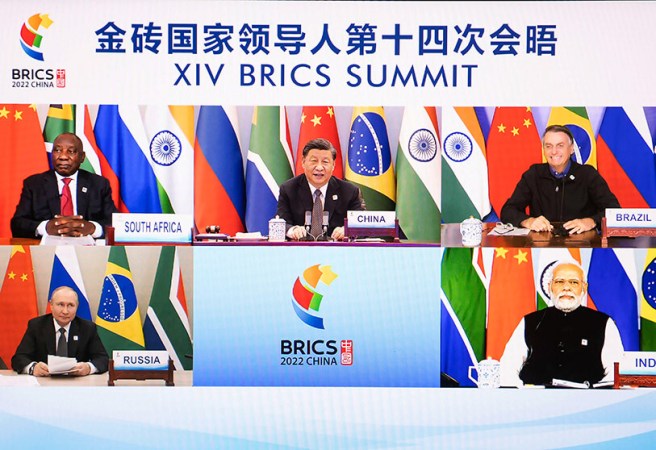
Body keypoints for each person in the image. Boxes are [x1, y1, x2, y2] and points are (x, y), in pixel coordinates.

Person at [500, 260, 624, 387]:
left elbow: (616, 372)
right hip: (537, 397)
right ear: (550, 287)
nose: (566, 288)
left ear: (584, 288)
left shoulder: (603, 323)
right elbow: (508, 367)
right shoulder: (530, 322)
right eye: (559, 282)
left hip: (587, 397)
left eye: (574, 282)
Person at [500, 125, 619, 234]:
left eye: (560, 146)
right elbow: (508, 211)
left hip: (582, 243)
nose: (554, 151)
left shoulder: (588, 174)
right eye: (548, 146)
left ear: (572, 149)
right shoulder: (534, 174)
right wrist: (528, 221)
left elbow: (615, 211)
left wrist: (592, 221)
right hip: (541, 244)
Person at [11, 132, 117, 238]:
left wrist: (93, 228)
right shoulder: (34, 184)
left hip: (85, 246)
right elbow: (17, 224)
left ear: (82, 157)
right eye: (57, 150)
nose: (63, 156)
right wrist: (45, 228)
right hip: (47, 246)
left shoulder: (98, 184)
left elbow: (115, 222)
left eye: (71, 151)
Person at [276, 138, 365, 241]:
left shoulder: (349, 192)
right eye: (314, 161)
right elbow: (281, 223)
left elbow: (363, 226)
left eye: (325, 162)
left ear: (333, 165)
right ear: (303, 162)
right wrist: (293, 230)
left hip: (336, 249)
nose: (319, 167)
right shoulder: (288, 189)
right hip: (300, 249)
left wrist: (348, 230)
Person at [11, 286, 108, 377]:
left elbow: (103, 359)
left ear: (77, 307)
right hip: (44, 382)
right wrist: (33, 368)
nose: (65, 311)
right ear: (51, 305)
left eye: (70, 305)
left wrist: (88, 368)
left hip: (76, 383)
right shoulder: (37, 326)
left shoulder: (87, 328)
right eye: (60, 305)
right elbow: (19, 358)